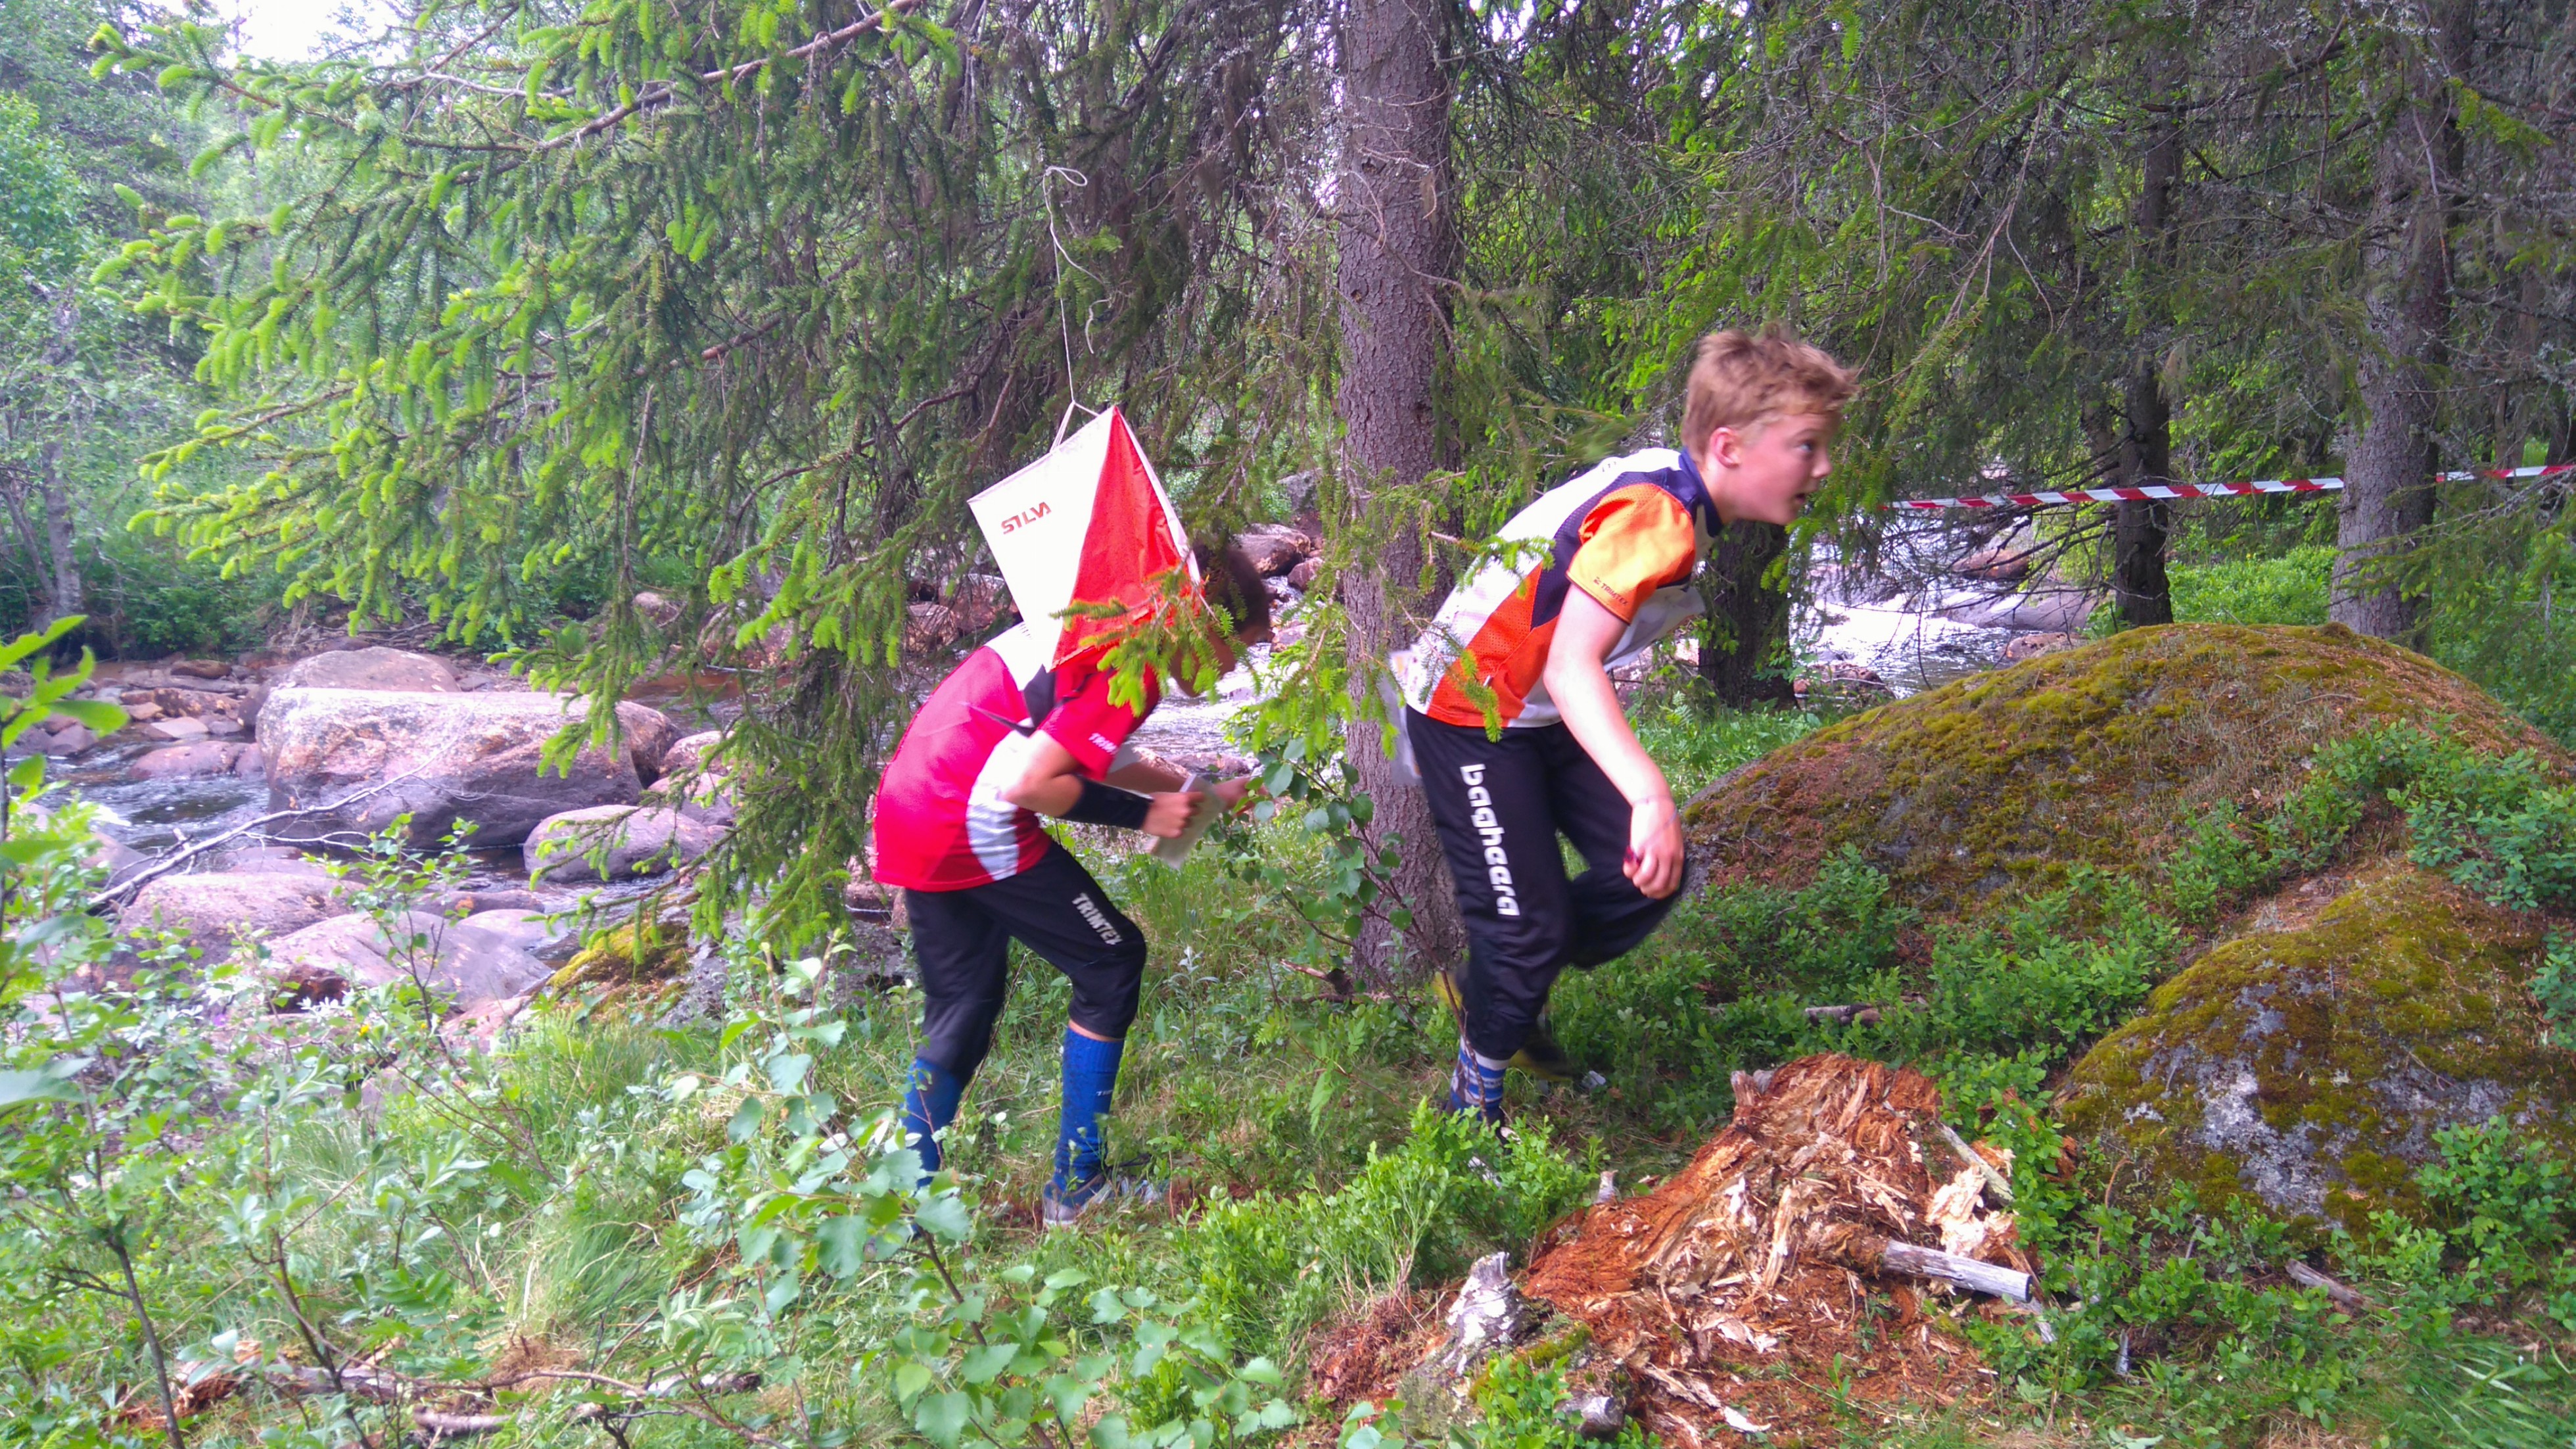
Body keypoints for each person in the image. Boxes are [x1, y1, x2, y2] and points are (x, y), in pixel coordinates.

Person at [1398, 327, 1857, 1120]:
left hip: (1534, 706)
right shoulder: (1660, 513)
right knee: (1530, 927)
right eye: (1807, 445)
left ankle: (1498, 978)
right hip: (1470, 709)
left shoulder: (1679, 500)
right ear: (1729, 447)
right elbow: (1575, 662)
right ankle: (1468, 1112)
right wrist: (1649, 790)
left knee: (1647, 871)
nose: (1823, 467)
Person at [874, 544, 1271, 1225]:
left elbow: (1086, 748)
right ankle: (1077, 1186)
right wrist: (1148, 813)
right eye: (1239, 646)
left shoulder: (1101, 622)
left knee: (962, 1006)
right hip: (965, 812)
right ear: (1201, 620)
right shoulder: (1137, 663)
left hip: (909, 804)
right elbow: (1031, 782)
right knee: (1112, 959)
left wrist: (1194, 790)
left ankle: (902, 1210)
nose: (1236, 667)